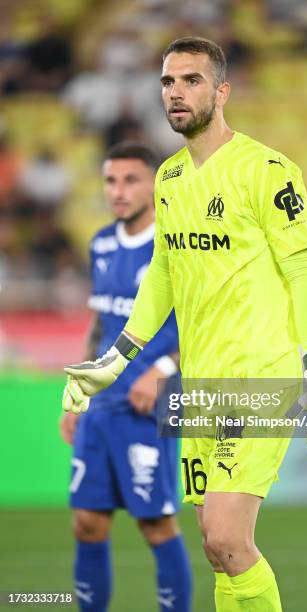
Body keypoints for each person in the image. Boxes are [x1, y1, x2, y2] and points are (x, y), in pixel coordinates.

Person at [63, 37, 307, 611]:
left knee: (226, 536)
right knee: (217, 550)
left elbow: (304, 272)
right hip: (200, 388)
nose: (176, 93)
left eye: (191, 80)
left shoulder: (268, 170)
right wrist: (114, 360)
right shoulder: (167, 180)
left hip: (261, 377)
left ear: (221, 91)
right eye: (168, 82)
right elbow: (162, 273)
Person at [60, 142, 192, 612]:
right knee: (87, 524)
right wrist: (76, 390)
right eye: (111, 180)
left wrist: (161, 369)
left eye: (131, 179)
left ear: (154, 186)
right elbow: (100, 324)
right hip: (101, 406)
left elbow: (201, 325)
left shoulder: (176, 245)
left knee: (156, 525)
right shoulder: (101, 243)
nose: (118, 191)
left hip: (148, 403)